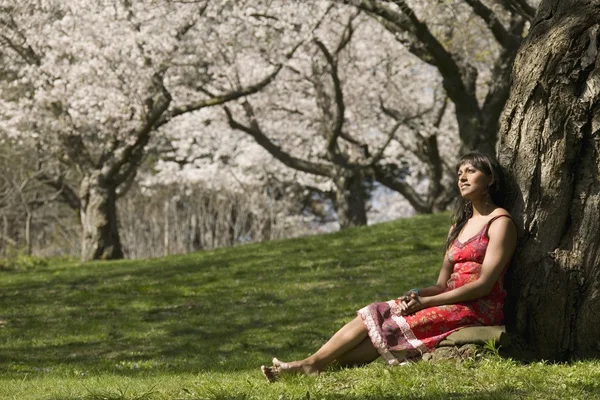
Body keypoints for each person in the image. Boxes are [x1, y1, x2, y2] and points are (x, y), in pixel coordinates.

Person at [261, 151, 518, 382]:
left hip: (477, 307)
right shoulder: (458, 226)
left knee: (394, 326)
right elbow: (441, 284)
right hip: (445, 299)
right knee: (378, 311)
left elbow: (484, 285)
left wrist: (428, 303)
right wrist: (417, 294)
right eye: (459, 173)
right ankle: (312, 364)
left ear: (490, 179)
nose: (462, 178)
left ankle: (312, 366)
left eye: (470, 171)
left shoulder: (499, 222)